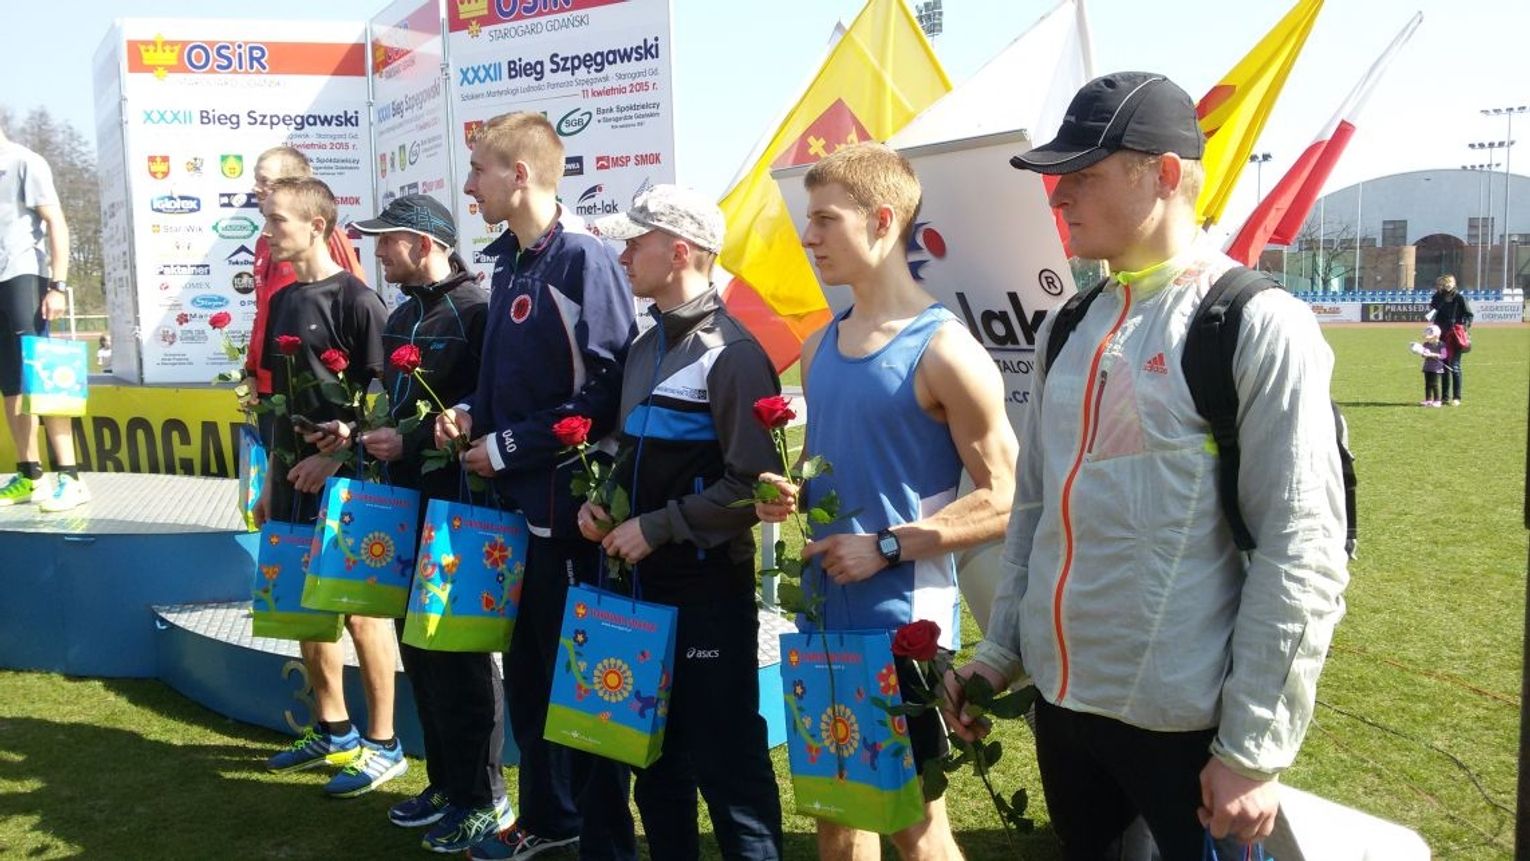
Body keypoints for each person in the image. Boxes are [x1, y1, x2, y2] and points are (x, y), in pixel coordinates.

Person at [947, 72, 1350, 860]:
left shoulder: (1257, 323)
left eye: (1084, 173)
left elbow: (1302, 547)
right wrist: (1000, 652)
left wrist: (1252, 748)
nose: (1059, 194)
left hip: (1186, 727)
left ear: (1164, 174)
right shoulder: (1068, 323)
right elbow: (1036, 513)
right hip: (1065, 712)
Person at [756, 142, 1019, 861]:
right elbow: (847, 469)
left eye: (824, 220)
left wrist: (887, 546)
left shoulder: (946, 350)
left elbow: (1007, 496)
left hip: (903, 627)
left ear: (881, 220)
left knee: (916, 828)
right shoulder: (820, 346)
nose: (808, 236)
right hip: (821, 615)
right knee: (837, 819)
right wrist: (794, 492)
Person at [434, 111, 637, 861]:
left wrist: (508, 444)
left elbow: (607, 391)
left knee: (570, 675)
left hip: (568, 509)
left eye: (479, 170)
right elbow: (504, 382)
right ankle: (551, 817)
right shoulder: (510, 262)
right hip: (512, 507)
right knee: (525, 670)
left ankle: (591, 827)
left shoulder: (583, 258)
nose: (468, 186)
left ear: (519, 174)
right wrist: (468, 413)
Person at [579, 185, 785, 860]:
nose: (623, 256)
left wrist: (659, 526)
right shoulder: (646, 344)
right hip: (642, 590)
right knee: (657, 763)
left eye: (634, 243)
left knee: (729, 767)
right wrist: (602, 502)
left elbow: (754, 486)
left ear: (679, 252)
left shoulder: (734, 353)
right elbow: (629, 451)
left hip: (707, 596)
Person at [317, 194, 510, 850]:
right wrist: (356, 430)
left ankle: (486, 795)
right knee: (419, 652)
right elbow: (388, 407)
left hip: (461, 508)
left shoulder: (478, 310)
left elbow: (490, 405)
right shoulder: (401, 314)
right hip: (404, 505)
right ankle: (446, 783)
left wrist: (416, 438)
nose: (377, 251)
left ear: (425, 244)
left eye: (387, 239)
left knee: (459, 654)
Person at [250, 176, 405, 799]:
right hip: (291, 478)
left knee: (363, 614)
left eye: (277, 220)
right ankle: (334, 728)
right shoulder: (283, 300)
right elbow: (278, 402)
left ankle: (385, 743)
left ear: (317, 225)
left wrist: (336, 457)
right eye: (266, 219)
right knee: (302, 604)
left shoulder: (359, 301)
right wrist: (270, 478)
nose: (267, 232)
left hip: (351, 481)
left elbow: (388, 403)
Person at [245, 146, 367, 442]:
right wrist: (251, 370)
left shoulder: (328, 237)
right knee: (281, 463)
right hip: (272, 383)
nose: (255, 188)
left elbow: (350, 298)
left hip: (321, 398)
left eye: (264, 180)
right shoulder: (264, 242)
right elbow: (263, 313)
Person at [0, 123, 89, 511]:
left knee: (44, 375)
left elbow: (57, 222)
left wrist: (58, 285)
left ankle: (71, 476)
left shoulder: (25, 162)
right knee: (10, 383)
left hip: (25, 275)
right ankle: (30, 475)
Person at [1428, 274, 1472, 406]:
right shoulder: (1437, 297)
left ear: (1454, 283)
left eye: (1449, 282)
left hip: (1455, 335)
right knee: (1444, 366)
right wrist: (1440, 294)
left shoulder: (1459, 298)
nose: (1447, 285)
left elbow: (1469, 315)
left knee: (1455, 366)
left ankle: (1457, 397)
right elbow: (1432, 311)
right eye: (1445, 282)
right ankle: (1445, 397)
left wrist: (1464, 327)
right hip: (1441, 336)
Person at [1416, 324, 1447, 407]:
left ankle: (1437, 400)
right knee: (1428, 384)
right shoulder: (1426, 344)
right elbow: (1423, 355)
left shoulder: (1441, 344)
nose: (1427, 339)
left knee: (1435, 384)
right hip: (1427, 367)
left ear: (1436, 336)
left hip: (1436, 368)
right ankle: (1428, 400)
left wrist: (1433, 354)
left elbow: (1444, 355)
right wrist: (1423, 353)